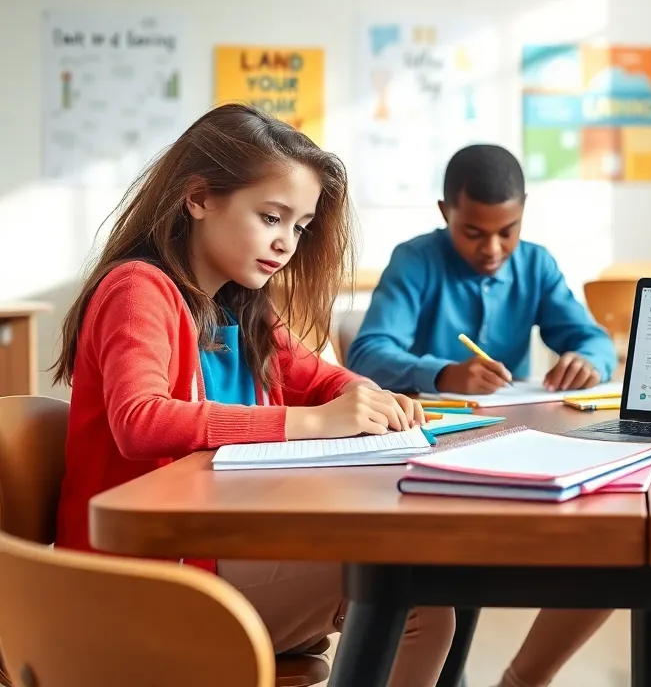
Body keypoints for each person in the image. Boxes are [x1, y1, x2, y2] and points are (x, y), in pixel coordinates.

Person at [51, 104, 454, 686]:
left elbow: (321, 379)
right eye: (271, 217)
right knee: (410, 597)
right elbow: (140, 422)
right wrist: (312, 423)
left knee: (409, 590)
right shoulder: (137, 291)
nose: (287, 242)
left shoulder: (239, 306)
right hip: (141, 580)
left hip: (207, 552)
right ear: (199, 198)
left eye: (300, 226)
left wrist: (370, 396)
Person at [346, 144, 616, 395]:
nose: (493, 249)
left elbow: (596, 342)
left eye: (507, 231)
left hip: (517, 421)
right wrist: (443, 375)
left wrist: (589, 361)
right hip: (429, 423)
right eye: (473, 233)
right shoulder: (414, 261)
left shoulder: (536, 265)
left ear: (523, 209)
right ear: (445, 212)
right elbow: (366, 356)